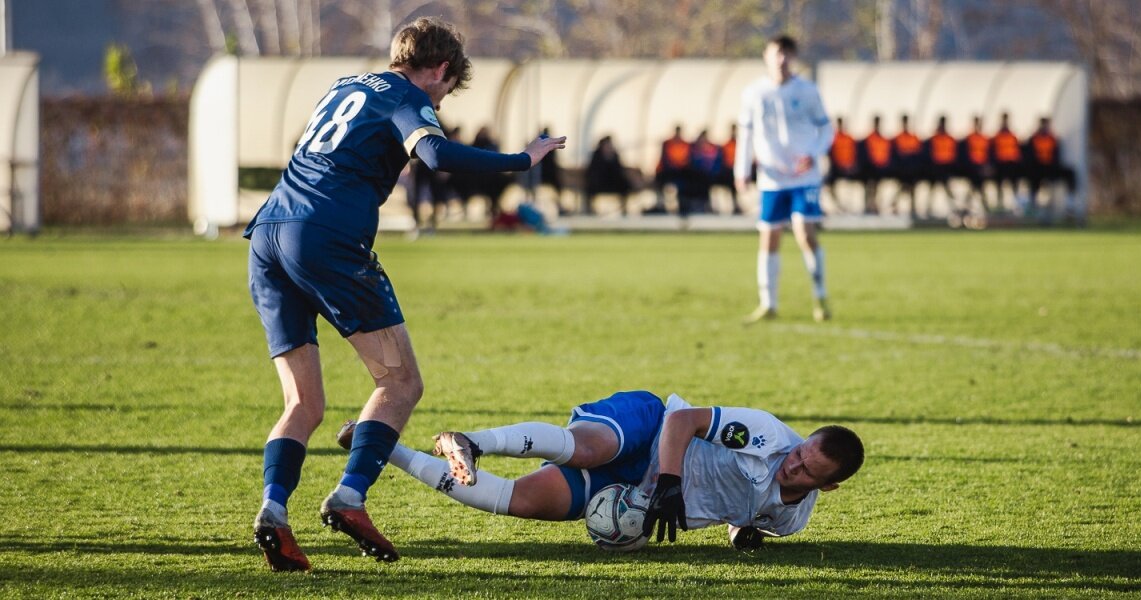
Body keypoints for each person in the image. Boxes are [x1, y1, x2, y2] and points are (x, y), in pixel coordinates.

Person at [243, 17, 566, 572]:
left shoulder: (345, 84)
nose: (440, 99)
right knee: (401, 381)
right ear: (439, 70)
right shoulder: (405, 94)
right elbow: (437, 156)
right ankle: (350, 497)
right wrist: (522, 159)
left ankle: (273, 509)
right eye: (445, 88)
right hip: (325, 236)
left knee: (303, 403)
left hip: (268, 234)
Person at [337, 390, 864, 548]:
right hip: (650, 424)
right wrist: (673, 483)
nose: (791, 463)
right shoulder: (769, 434)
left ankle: (387, 451)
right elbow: (683, 421)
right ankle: (470, 442)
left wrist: (738, 532)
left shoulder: (791, 520)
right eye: (800, 452)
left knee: (518, 502)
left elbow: (748, 507)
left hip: (633, 489)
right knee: (584, 448)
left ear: (828, 486)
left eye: (805, 470)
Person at [735, 35, 835, 323]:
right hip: (772, 178)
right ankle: (769, 304)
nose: (782, 59)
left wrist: (813, 153)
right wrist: (741, 172)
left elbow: (826, 130)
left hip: (804, 177)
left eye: (787, 54)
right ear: (766, 56)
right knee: (769, 236)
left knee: (804, 232)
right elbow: (746, 134)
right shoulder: (754, 93)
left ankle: (820, 296)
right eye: (777, 53)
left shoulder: (807, 91)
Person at [1024, 117, 1077, 217]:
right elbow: (1029, 157)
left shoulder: (1053, 139)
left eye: (1046, 124)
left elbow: (1056, 156)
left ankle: (1070, 204)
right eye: (1043, 124)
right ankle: (1033, 204)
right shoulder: (1033, 139)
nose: (1045, 127)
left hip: (1050, 167)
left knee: (1070, 173)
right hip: (1038, 168)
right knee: (1032, 177)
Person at [584, 135, 634, 215]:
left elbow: (619, 171)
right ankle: (589, 209)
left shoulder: (615, 156)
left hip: (613, 182)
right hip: (600, 183)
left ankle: (624, 209)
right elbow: (592, 172)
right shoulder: (597, 156)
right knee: (590, 186)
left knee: (625, 185)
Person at [925, 115, 961, 221]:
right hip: (936, 168)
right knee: (934, 189)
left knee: (947, 190)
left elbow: (954, 155)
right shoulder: (934, 139)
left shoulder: (949, 139)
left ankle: (954, 209)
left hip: (946, 168)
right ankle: (928, 209)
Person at [890, 114, 924, 218]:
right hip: (901, 170)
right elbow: (894, 155)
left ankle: (912, 208)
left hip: (911, 170)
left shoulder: (913, 137)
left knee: (911, 187)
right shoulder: (897, 138)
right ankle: (895, 206)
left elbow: (918, 154)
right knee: (903, 187)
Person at [958, 116, 993, 214]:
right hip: (973, 169)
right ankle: (984, 208)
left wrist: (986, 167)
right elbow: (965, 156)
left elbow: (988, 155)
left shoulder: (984, 139)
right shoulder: (969, 139)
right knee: (977, 188)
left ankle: (968, 208)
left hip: (981, 168)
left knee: (976, 188)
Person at [824, 116, 860, 211]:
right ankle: (839, 205)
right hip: (837, 169)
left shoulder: (849, 138)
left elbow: (856, 154)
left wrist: (851, 165)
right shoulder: (832, 139)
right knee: (827, 183)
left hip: (850, 168)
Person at [991, 112, 1024, 212]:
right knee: (999, 184)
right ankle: (1000, 204)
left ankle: (1016, 205)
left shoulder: (1013, 136)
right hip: (1000, 164)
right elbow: (993, 151)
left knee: (1014, 183)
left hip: (1011, 164)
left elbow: (1017, 152)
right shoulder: (997, 136)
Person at [858, 115, 892, 215]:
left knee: (875, 187)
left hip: (880, 169)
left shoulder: (883, 140)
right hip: (869, 169)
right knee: (869, 186)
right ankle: (868, 206)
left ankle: (874, 206)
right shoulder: (868, 139)